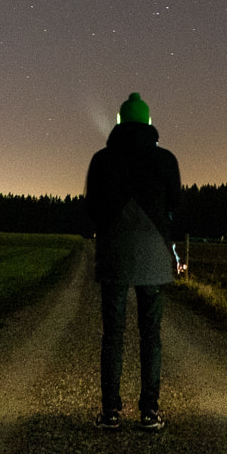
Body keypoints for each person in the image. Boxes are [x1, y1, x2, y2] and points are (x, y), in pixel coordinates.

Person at [85, 92, 182, 430]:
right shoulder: (166, 160)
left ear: (119, 122)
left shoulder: (101, 160)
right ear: (149, 122)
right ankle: (149, 412)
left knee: (113, 333)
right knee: (150, 334)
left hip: (114, 254)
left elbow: (91, 207)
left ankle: (110, 412)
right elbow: (176, 205)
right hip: (154, 255)